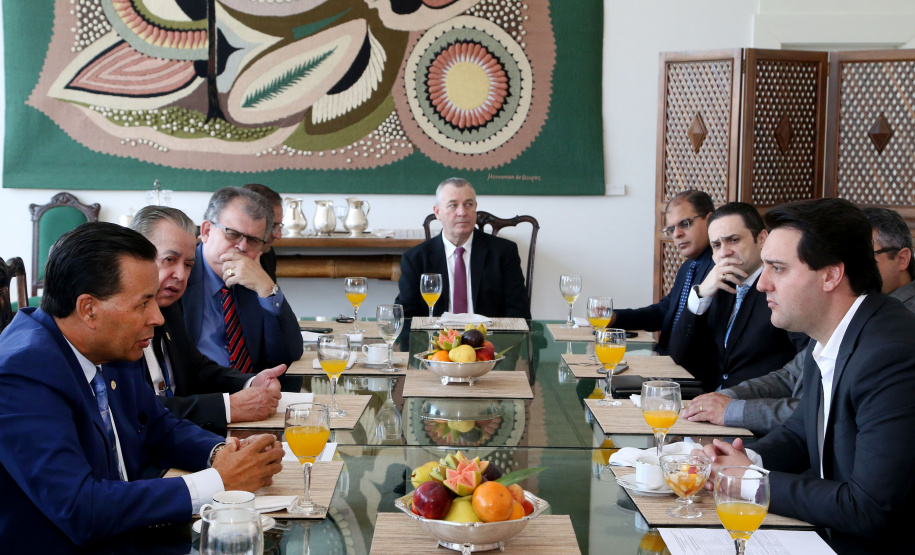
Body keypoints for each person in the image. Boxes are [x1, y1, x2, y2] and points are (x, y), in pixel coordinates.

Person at [0, 222, 283, 551]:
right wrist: (220, 481)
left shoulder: (105, 344)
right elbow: (81, 509)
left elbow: (158, 426)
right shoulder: (22, 373)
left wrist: (222, 454)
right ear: (89, 309)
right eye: (142, 303)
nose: (158, 317)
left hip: (133, 532)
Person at [695, 198, 915, 554]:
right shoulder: (831, 332)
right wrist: (742, 460)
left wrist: (752, 482)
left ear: (830, 275)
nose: (763, 283)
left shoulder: (891, 354)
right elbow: (801, 433)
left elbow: (870, 508)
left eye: (777, 268)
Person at [685, 206, 915, 433]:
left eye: (778, 268)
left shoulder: (894, 340)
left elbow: (818, 417)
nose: (763, 284)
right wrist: (723, 398)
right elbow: (791, 379)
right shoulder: (834, 321)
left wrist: (731, 409)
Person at [129, 206, 283, 433]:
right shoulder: (116, 320)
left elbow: (194, 367)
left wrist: (250, 382)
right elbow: (136, 411)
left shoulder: (168, 305)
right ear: (134, 255)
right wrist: (229, 407)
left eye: (189, 265)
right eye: (169, 259)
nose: (181, 275)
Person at [668, 202, 806, 390]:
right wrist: (701, 295)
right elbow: (679, 355)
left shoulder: (783, 288)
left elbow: (806, 364)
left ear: (762, 239)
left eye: (733, 240)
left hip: (756, 407)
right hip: (705, 401)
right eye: (716, 245)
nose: (724, 252)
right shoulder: (719, 286)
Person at [182, 187, 303, 378]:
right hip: (199, 397)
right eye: (232, 233)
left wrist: (268, 289)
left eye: (254, 240)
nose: (242, 246)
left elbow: (288, 353)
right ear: (206, 231)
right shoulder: (179, 274)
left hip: (252, 391)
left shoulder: (256, 276)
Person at [396, 177, 531, 319]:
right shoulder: (415, 259)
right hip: (437, 338)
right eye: (453, 205)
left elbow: (519, 313)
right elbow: (407, 317)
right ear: (437, 212)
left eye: (468, 204)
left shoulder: (504, 253)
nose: (462, 212)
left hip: (490, 338)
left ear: (475, 208)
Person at [612, 190, 715, 356]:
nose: (677, 234)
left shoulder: (719, 270)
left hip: (688, 373)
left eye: (685, 224)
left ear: (710, 220)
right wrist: (616, 317)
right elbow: (665, 311)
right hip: (663, 362)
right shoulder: (688, 267)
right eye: (672, 228)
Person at [243, 183, 283, 282]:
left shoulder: (266, 253)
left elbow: (274, 296)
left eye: (279, 226)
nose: (278, 235)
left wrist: (268, 289)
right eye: (272, 226)